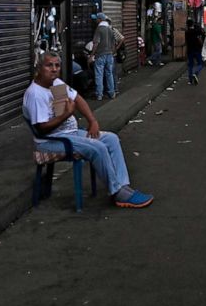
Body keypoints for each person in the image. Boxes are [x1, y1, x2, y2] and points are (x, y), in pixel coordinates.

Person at [23, 51, 153, 208]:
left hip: (70, 133)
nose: (54, 69)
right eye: (49, 65)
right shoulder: (35, 94)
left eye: (57, 65)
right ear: (39, 68)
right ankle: (117, 191)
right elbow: (42, 129)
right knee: (98, 147)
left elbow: (77, 99)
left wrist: (92, 121)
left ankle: (122, 186)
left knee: (111, 139)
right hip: (51, 140)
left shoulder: (56, 84)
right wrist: (67, 114)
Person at [89, 13, 124, 100]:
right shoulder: (110, 29)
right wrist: (113, 51)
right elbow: (113, 43)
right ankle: (112, 93)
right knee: (109, 74)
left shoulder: (99, 29)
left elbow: (96, 43)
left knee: (99, 75)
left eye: (96, 19)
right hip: (110, 55)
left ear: (100, 19)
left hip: (100, 55)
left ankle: (99, 95)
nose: (96, 20)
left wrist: (91, 55)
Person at [185, 18, 205, 85]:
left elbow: (186, 42)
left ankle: (190, 80)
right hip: (197, 49)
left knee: (190, 65)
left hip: (190, 50)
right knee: (201, 64)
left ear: (187, 25)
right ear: (193, 24)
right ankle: (196, 73)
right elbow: (200, 38)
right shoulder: (196, 31)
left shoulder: (187, 32)